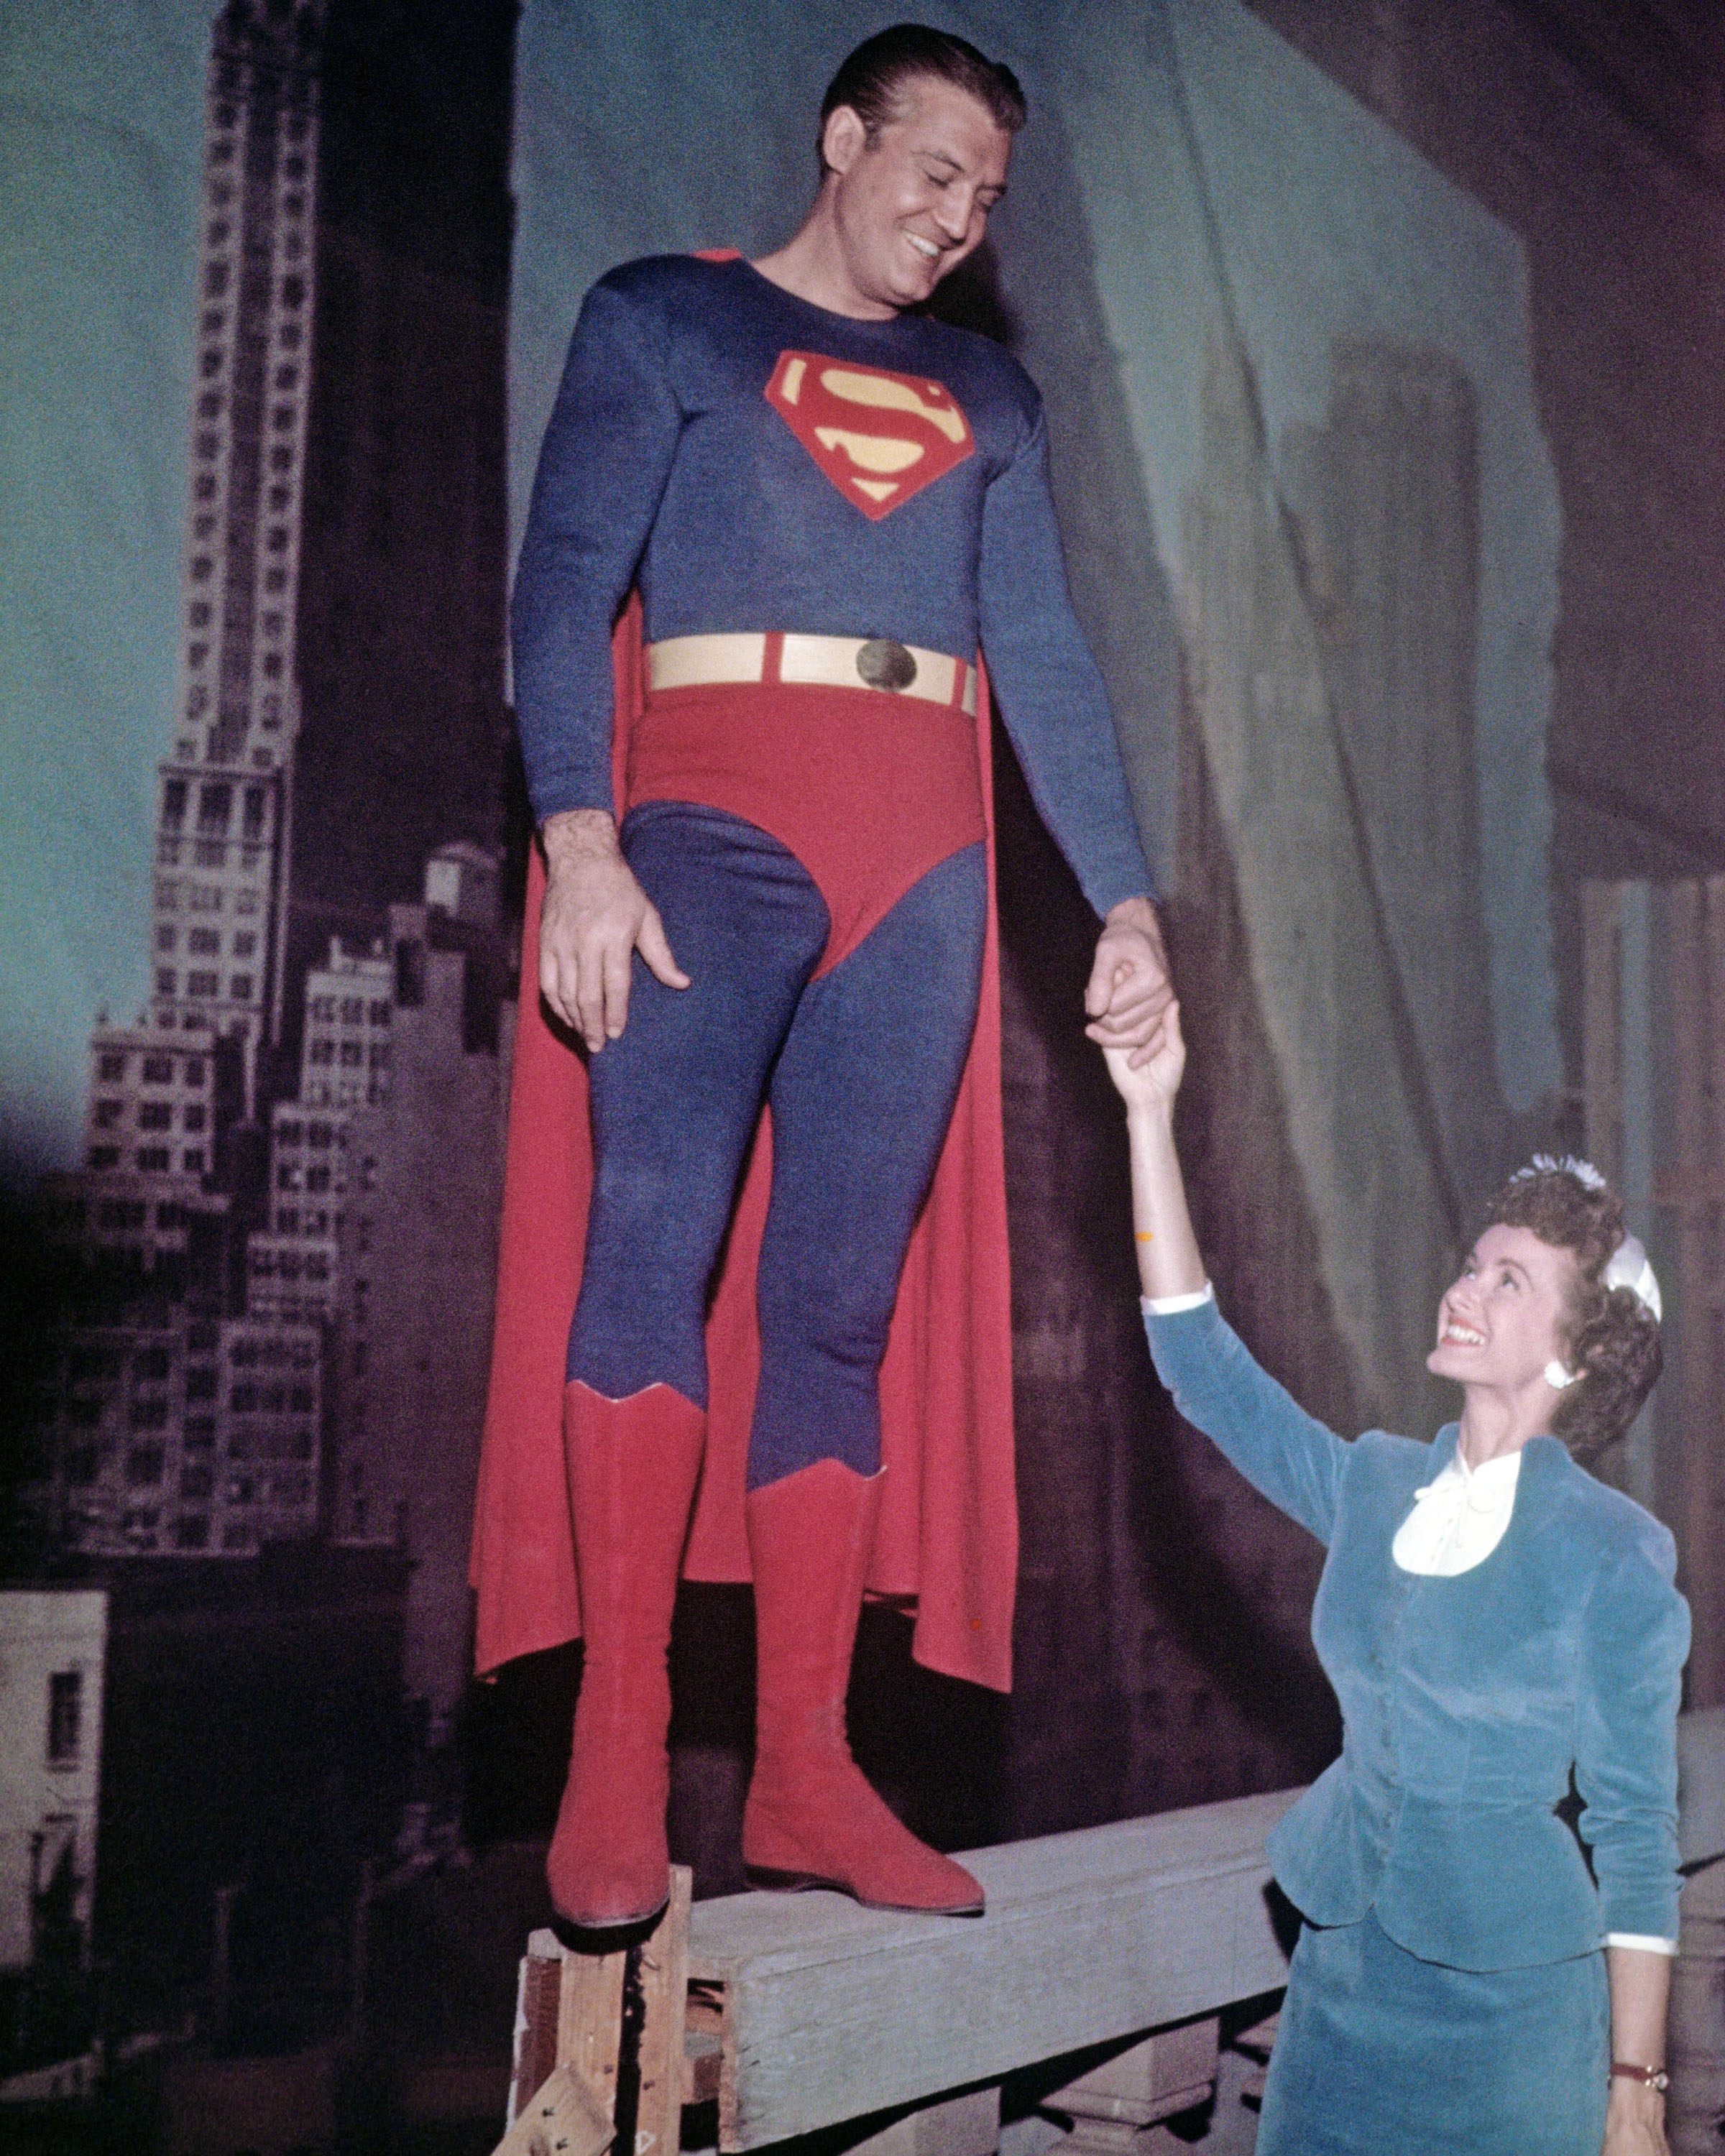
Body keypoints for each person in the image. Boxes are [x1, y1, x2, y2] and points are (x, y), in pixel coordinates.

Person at [471, 24, 1173, 1932]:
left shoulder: (993, 398)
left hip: (923, 869)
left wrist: (1122, 902)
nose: (957, 220)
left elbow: (1047, 650)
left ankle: (802, 1767)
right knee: (653, 1249)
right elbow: (559, 587)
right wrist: (580, 836)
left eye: (988, 199)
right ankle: (620, 1749)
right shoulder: (662, 324)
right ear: (843, 136)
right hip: (710, 829)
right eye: (932, 173)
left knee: (838, 1317)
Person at [1101, 1001, 1685, 2156]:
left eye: (1508, 1281)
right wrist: (1148, 1115)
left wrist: (1636, 2085)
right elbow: (1198, 1363)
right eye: (1472, 1266)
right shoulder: (1371, 1487)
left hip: (1515, 2015)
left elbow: (1634, 1834)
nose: (1464, 1289)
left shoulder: (1615, 1555)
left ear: (1574, 1354)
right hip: (1341, 1988)